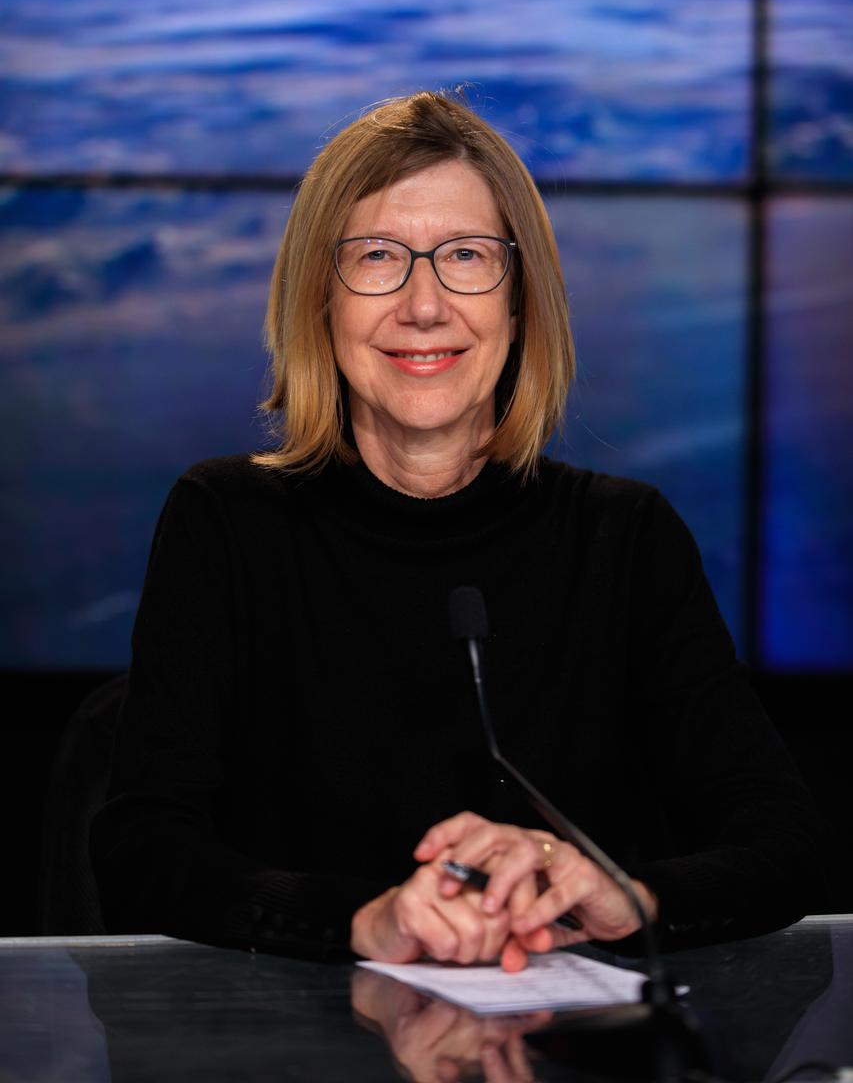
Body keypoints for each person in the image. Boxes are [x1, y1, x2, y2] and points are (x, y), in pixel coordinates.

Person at [91, 91, 823, 970]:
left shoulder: (623, 539)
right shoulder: (226, 523)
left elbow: (782, 845)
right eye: (376, 257)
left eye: (466, 257)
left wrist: (616, 890)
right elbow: (141, 853)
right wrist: (365, 924)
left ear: (520, 304)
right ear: (319, 301)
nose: (424, 305)